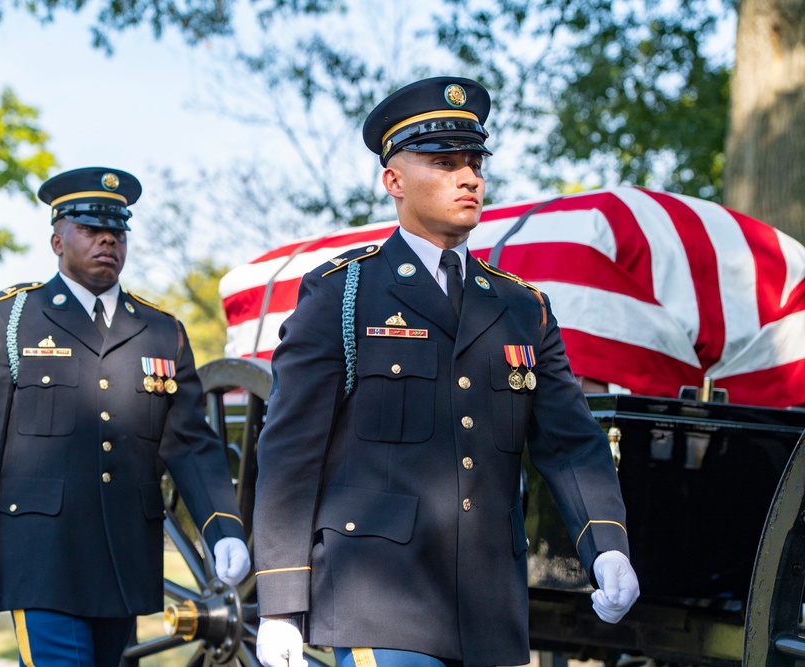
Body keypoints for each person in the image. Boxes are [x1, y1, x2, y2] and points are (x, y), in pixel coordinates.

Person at [252, 77, 640, 667]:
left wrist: (606, 545)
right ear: (394, 181)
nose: (470, 177)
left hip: (489, 603)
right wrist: (280, 603)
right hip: (377, 592)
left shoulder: (521, 307)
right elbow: (290, 452)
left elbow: (569, 442)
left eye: (474, 162)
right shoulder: (343, 294)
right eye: (444, 162)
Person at [0, 166, 251, 667]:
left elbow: (190, 443)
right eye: (90, 229)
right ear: (57, 240)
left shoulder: (161, 330)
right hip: (41, 558)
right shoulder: (10, 318)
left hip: (125, 557)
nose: (107, 240)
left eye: (117, 231)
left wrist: (223, 527)